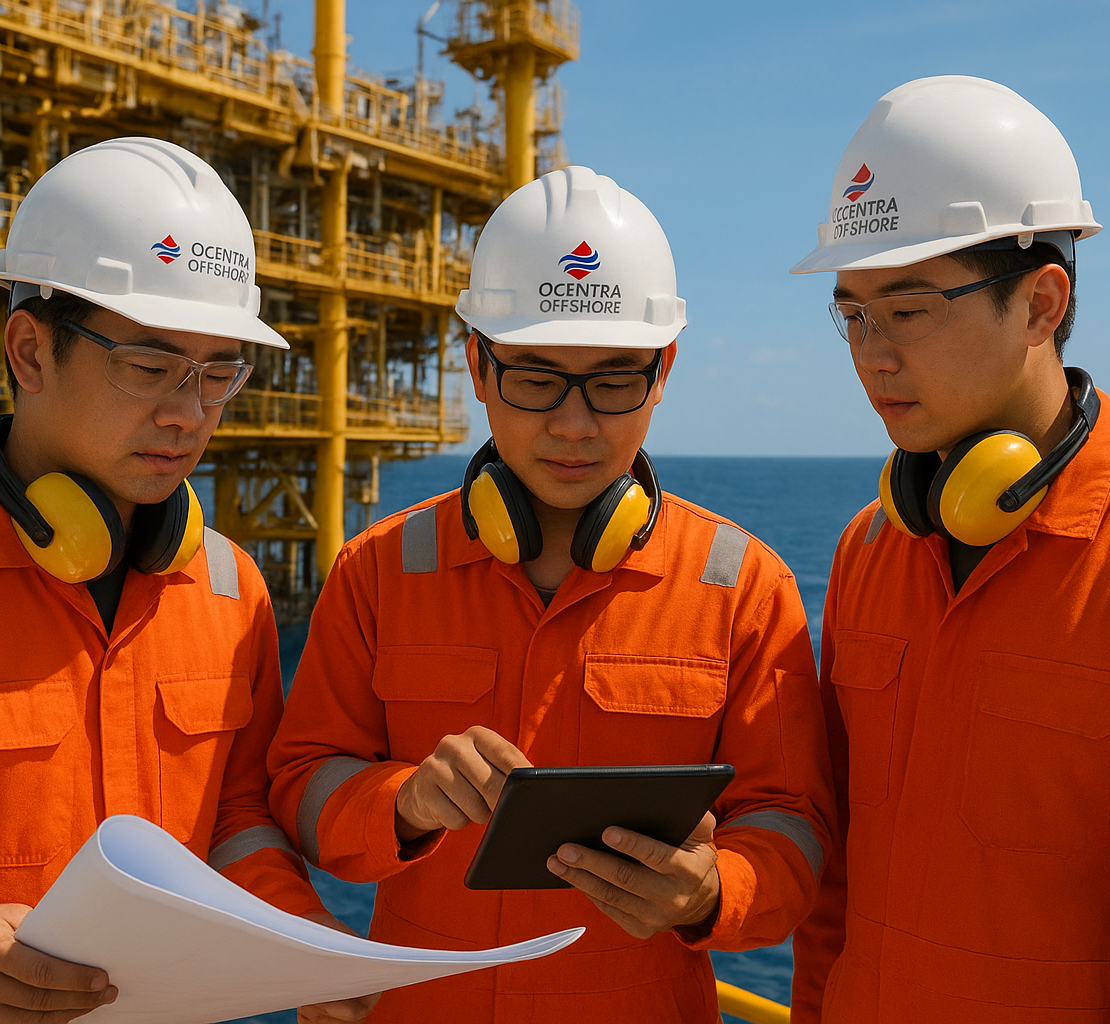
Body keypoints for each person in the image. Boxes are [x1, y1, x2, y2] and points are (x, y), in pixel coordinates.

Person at [0, 137, 374, 1024]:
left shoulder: (226, 586)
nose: (186, 413)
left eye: (217, 374)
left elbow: (237, 820)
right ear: (30, 350)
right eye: (149, 365)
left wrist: (302, 938)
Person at [266, 164, 835, 1023]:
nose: (573, 426)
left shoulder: (741, 585)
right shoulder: (379, 569)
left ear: (664, 369)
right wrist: (405, 803)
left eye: (613, 381)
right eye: (535, 378)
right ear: (477, 365)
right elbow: (302, 788)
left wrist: (711, 890)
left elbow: (794, 829)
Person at [787, 75, 1110, 1023]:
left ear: (1039, 304)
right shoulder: (873, 546)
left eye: (907, 309)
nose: (871, 353)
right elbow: (836, 895)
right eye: (851, 313)